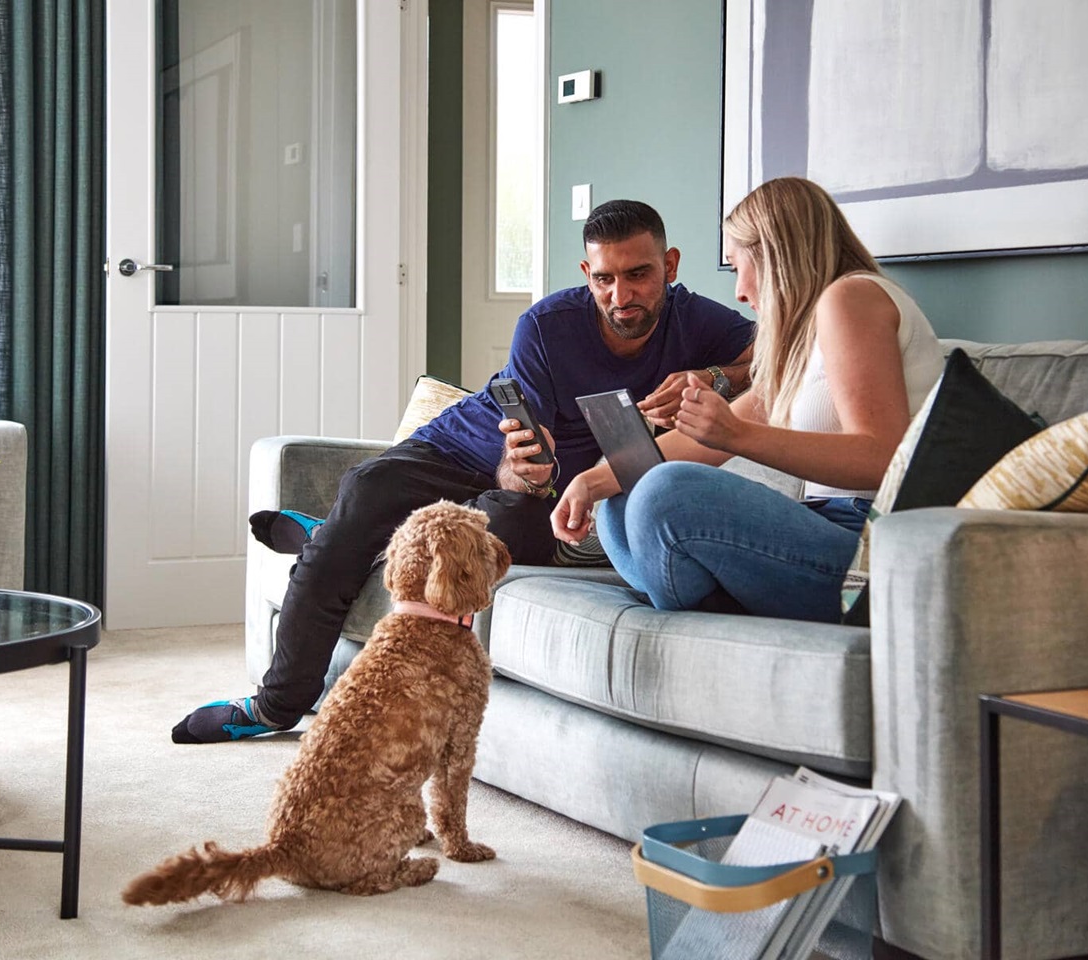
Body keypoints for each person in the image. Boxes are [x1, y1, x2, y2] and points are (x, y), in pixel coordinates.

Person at [173, 199, 756, 743]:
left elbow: (776, 349)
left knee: (496, 529)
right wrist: (521, 473)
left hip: (538, 494)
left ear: (670, 266)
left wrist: (716, 377)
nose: (621, 295)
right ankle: (274, 707)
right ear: (586, 271)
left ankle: (338, 531)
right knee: (369, 487)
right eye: (604, 278)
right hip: (473, 451)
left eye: (638, 275)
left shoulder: (699, 322)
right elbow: (523, 461)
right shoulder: (547, 326)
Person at [550, 177, 943, 622]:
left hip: (868, 545)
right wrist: (593, 480)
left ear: (774, 256)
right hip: (822, 526)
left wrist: (737, 435)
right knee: (623, 503)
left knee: (663, 491)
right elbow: (704, 442)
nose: (738, 291)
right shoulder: (805, 336)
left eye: (738, 266)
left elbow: (882, 457)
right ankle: (717, 606)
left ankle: (704, 607)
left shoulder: (851, 299)